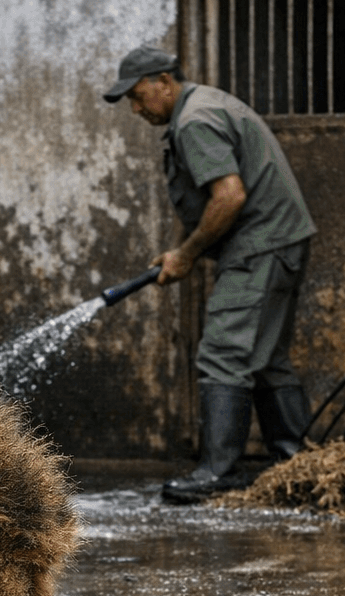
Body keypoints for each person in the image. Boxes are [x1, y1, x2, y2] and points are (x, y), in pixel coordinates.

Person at [104, 45, 317, 504]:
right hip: (279, 242)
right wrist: (182, 253)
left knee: (224, 353)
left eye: (140, 97)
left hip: (259, 247)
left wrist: (185, 254)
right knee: (264, 357)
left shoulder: (194, 120)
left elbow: (229, 195)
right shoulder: (208, 103)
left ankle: (218, 471)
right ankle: (298, 463)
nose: (138, 110)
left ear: (165, 81)